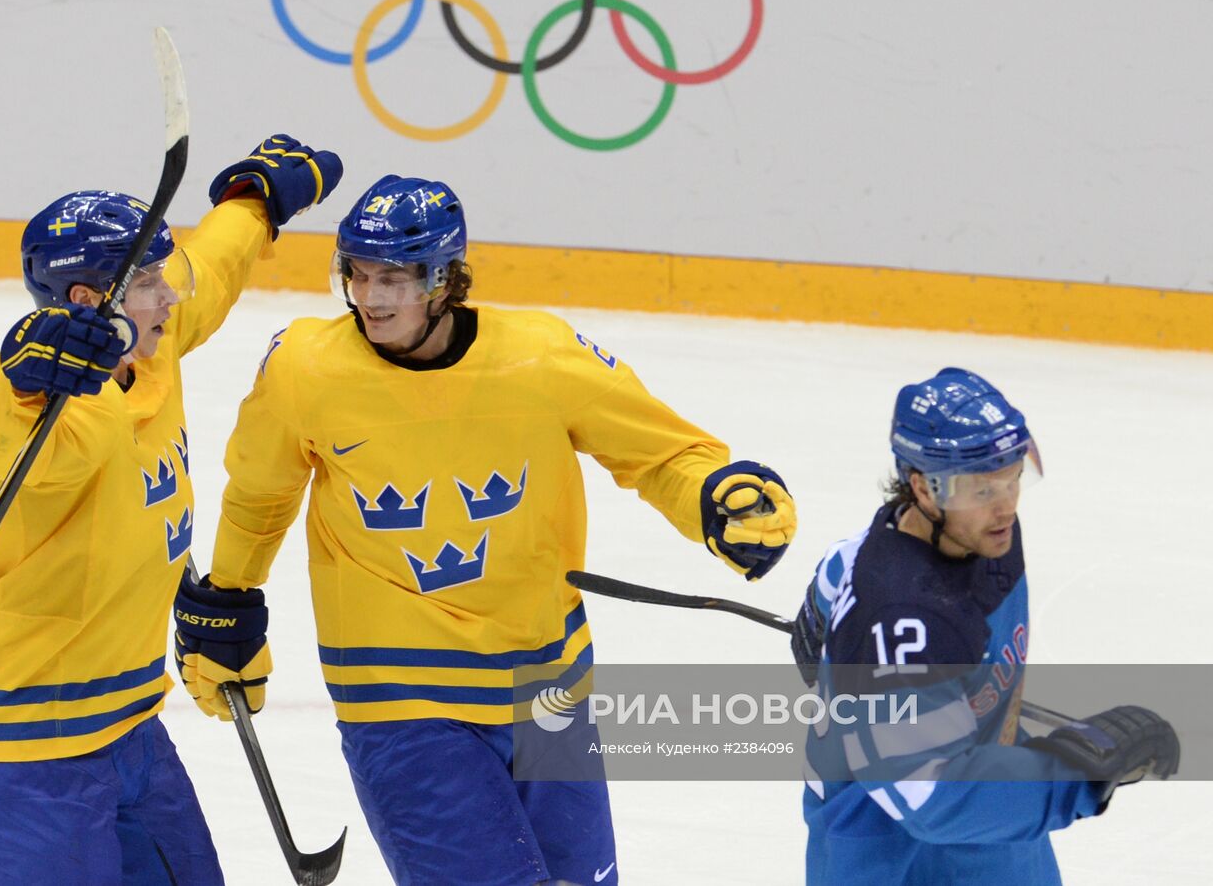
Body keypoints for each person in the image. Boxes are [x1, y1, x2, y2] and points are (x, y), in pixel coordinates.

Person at [170, 174, 800, 886]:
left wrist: (714, 497)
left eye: (397, 278)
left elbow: (661, 451)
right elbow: (260, 492)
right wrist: (229, 593)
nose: (373, 298)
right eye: (359, 273)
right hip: (399, 693)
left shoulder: (539, 357)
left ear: (446, 280)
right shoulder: (305, 368)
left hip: (548, 682)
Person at [0, 133, 343, 885]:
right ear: (90, 301)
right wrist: (26, 380)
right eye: (149, 279)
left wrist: (252, 201)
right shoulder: (57, 413)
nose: (171, 294)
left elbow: (208, 269)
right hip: (26, 740)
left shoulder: (149, 342)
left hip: (125, 722)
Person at [789, 366, 1179, 885]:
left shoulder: (970, 532)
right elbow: (928, 796)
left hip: (993, 817)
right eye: (982, 488)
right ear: (923, 490)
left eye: (1013, 476)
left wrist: (821, 610)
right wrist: (1077, 775)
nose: (1006, 506)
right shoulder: (903, 621)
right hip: (892, 849)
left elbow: (843, 564)